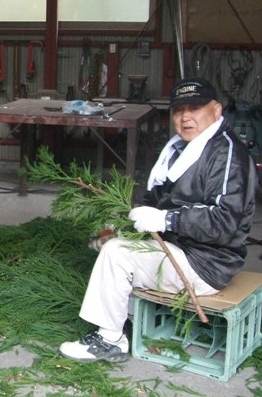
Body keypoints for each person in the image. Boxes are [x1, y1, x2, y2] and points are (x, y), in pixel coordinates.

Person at [59, 77, 258, 363]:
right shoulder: (181, 149)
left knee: (117, 255)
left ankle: (110, 340)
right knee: (113, 242)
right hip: (182, 247)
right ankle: (127, 318)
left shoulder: (227, 155)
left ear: (216, 110)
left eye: (195, 108)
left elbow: (225, 222)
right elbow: (156, 199)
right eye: (178, 110)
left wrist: (167, 220)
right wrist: (125, 226)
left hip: (207, 263)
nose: (185, 117)